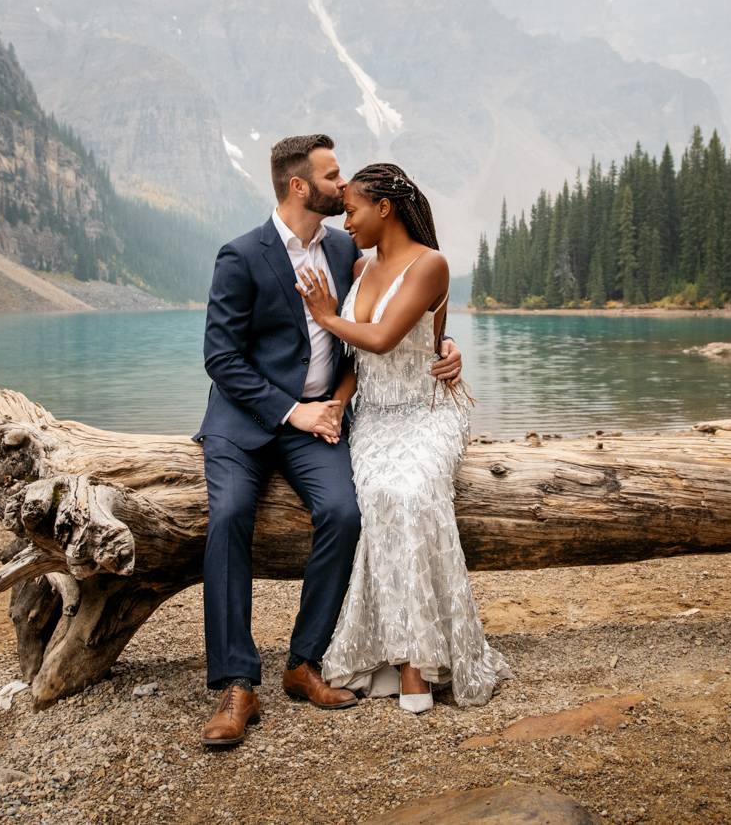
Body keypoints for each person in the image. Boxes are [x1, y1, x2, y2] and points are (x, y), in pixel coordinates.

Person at [196, 135, 463, 748]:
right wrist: (294, 412)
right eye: (332, 176)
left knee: (344, 512)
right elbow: (220, 359)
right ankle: (237, 683)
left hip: (324, 418)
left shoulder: (348, 249)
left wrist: (438, 351)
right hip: (245, 422)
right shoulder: (240, 255)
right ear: (299, 185)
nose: (343, 188)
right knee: (230, 515)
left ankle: (303, 662)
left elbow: (371, 334)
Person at [296, 162, 509, 713]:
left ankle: (418, 661)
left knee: (414, 493)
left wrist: (324, 314)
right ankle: (394, 649)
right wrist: (340, 402)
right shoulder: (361, 267)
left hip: (428, 410)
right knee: (381, 498)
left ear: (384, 208)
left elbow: (388, 339)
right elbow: (358, 358)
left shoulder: (430, 264)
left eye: (353, 211)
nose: (347, 222)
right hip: (374, 416)